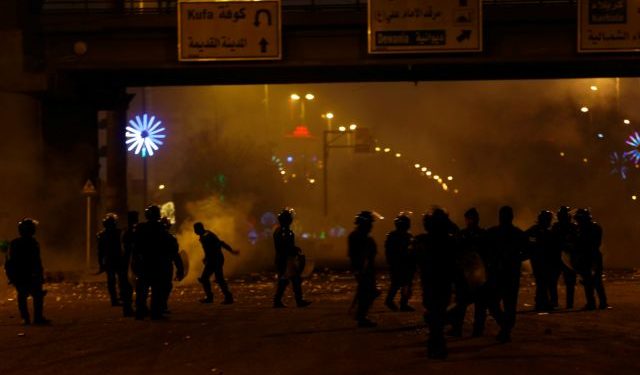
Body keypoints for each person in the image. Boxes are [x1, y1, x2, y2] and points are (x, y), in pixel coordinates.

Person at [413, 209, 457, 359]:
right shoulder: (448, 242)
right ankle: (437, 347)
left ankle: (435, 346)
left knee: (435, 315)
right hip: (441, 283)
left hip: (430, 284)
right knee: (437, 316)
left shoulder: (421, 241)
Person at [484, 206, 527, 343]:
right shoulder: (495, 233)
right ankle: (505, 327)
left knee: (507, 305)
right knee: (496, 304)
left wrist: (514, 258)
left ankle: (505, 330)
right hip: (500, 273)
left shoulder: (515, 234)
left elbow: (528, 251)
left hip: (507, 274)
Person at [447, 207, 488, 337]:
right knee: (473, 303)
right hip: (474, 274)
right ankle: (475, 330)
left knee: (465, 303)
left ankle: (460, 329)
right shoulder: (481, 234)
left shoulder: (465, 234)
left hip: (471, 274)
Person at [133, 205, 178, 320]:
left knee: (142, 290)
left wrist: (135, 263)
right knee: (157, 289)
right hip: (158, 264)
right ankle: (155, 313)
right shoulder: (161, 229)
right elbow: (172, 249)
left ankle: (140, 312)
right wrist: (178, 265)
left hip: (144, 263)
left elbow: (135, 248)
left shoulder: (140, 229)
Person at [4, 218, 50, 325]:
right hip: (30, 274)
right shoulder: (33, 243)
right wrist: (39, 274)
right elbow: (37, 261)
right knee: (37, 296)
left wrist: (12, 275)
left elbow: (10, 260)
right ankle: (37, 318)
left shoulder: (15, 243)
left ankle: (26, 318)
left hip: (20, 274)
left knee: (22, 296)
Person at [272, 209, 311, 308]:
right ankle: (296, 301)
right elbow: (285, 246)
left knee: (288, 280)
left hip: (283, 259)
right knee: (291, 280)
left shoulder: (279, 231)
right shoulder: (284, 232)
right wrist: (295, 250)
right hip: (286, 260)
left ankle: (281, 300)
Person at [348, 211, 380, 328]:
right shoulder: (360, 237)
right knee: (367, 293)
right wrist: (362, 270)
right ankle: (361, 317)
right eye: (370, 223)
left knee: (366, 292)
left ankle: (361, 315)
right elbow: (361, 256)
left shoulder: (357, 235)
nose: (371, 226)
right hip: (364, 270)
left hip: (364, 270)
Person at [194, 222, 237, 304]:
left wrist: (231, 251)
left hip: (215, 259)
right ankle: (219, 297)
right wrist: (206, 258)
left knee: (213, 278)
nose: (195, 231)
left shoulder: (207, 236)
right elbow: (210, 249)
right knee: (208, 278)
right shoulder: (205, 235)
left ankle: (224, 297)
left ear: (200, 229)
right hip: (214, 259)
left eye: (195, 229)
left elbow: (220, 243)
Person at [574, 208, 608, 310]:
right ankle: (597, 303)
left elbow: (589, 243)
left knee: (594, 280)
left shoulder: (591, 228)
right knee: (590, 281)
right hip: (591, 256)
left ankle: (596, 303)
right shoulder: (591, 227)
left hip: (591, 256)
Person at [525, 210, 556, 311]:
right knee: (542, 281)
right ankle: (541, 303)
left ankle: (542, 302)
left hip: (543, 259)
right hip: (539, 260)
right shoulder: (535, 231)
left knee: (543, 282)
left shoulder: (545, 231)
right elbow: (530, 243)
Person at [384, 213, 415, 312]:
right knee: (403, 284)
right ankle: (400, 303)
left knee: (400, 284)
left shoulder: (392, 235)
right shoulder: (406, 236)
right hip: (402, 264)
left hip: (398, 264)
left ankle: (401, 303)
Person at [551, 206, 577, 309]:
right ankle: (561, 303)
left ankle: (561, 303)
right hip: (559, 256)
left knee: (567, 282)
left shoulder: (569, 227)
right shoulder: (558, 227)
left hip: (566, 257)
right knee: (556, 281)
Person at [96, 213, 125, 307]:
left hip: (111, 260)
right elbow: (100, 251)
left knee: (113, 280)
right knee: (119, 279)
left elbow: (100, 252)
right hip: (116, 259)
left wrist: (101, 263)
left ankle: (115, 299)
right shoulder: (118, 233)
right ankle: (119, 298)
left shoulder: (102, 235)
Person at [120, 211, 138, 317]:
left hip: (128, 261)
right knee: (128, 287)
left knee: (128, 287)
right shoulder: (130, 232)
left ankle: (128, 308)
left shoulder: (127, 231)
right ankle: (128, 309)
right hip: (129, 261)